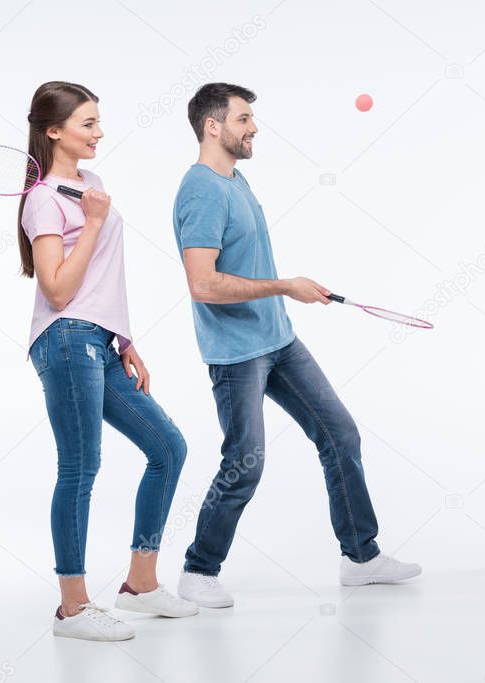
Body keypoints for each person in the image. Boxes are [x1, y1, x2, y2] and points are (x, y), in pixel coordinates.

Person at [171, 82, 421, 608]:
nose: (254, 127)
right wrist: (286, 285)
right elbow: (204, 284)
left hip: (279, 341)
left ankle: (361, 557)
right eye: (243, 119)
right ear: (212, 126)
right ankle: (198, 571)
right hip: (237, 355)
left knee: (340, 435)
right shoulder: (200, 190)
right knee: (246, 461)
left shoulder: (235, 181)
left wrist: (284, 295)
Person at [20, 81, 197, 640]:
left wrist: (124, 338)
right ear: (54, 131)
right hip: (67, 338)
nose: (100, 133)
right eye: (88, 124)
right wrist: (93, 221)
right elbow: (57, 290)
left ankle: (140, 585)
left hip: (100, 342)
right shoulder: (44, 198)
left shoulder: (90, 184)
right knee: (80, 467)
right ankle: (72, 608)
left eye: (99, 122)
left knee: (168, 447)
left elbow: (101, 280)